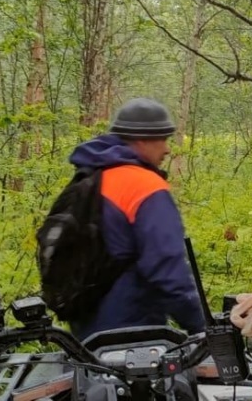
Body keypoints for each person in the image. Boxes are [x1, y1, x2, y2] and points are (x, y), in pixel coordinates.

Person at [66, 98, 206, 340]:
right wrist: (202, 327)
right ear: (142, 139)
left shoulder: (92, 178)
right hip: (132, 332)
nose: (167, 149)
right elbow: (167, 270)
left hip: (85, 330)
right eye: (162, 139)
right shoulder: (144, 186)